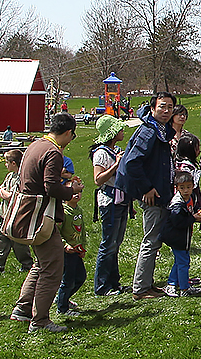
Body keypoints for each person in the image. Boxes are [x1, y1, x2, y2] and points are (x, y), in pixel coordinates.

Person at [10, 113, 83, 333]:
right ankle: (40, 320)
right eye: (72, 136)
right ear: (68, 132)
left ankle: (23, 309)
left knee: (41, 264)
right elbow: (51, 187)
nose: (70, 141)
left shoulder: (36, 144)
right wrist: (72, 190)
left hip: (27, 214)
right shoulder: (53, 152)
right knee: (52, 267)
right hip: (41, 217)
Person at [120, 92, 177, 300]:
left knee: (154, 241)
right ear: (153, 108)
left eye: (170, 107)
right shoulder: (148, 131)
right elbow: (132, 162)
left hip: (161, 191)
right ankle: (141, 288)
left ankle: (147, 284)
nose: (166, 111)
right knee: (150, 241)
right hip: (151, 194)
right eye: (162, 107)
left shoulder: (161, 130)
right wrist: (146, 188)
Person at [88, 116, 131, 296]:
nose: (123, 132)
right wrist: (115, 165)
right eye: (119, 129)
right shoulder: (101, 153)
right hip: (109, 202)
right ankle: (102, 286)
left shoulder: (117, 150)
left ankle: (114, 282)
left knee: (116, 243)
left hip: (121, 201)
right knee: (108, 244)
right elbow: (98, 179)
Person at [163, 143, 201, 297]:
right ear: (177, 188)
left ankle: (172, 284)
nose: (186, 190)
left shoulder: (190, 197)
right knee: (183, 262)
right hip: (176, 237)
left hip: (183, 237)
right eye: (182, 188)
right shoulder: (177, 204)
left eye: (188, 187)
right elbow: (178, 222)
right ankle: (184, 289)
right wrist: (193, 218)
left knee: (181, 261)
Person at [0, 150, 34, 276]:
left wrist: (4, 193)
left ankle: (27, 264)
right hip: (3, 213)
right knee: (0, 240)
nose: (5, 165)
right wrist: (4, 193)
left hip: (16, 215)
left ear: (14, 163)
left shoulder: (21, 177)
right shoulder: (9, 176)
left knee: (18, 241)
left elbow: (12, 196)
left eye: (7, 162)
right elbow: (1, 190)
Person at [53, 171, 88, 316]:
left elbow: (83, 230)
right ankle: (62, 308)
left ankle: (63, 298)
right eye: (72, 191)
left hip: (77, 251)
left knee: (81, 277)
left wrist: (83, 246)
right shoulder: (63, 211)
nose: (76, 194)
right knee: (67, 280)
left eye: (78, 191)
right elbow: (56, 232)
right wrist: (64, 245)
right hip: (66, 252)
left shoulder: (78, 210)